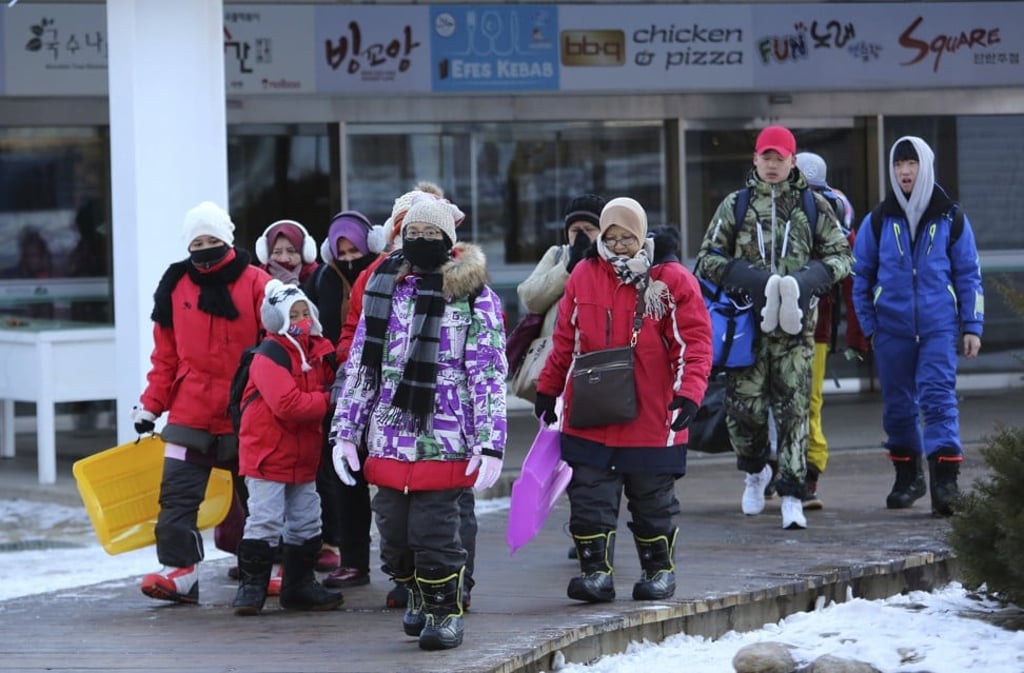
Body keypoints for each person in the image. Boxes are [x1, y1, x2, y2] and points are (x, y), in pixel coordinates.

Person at [330, 197, 507, 650]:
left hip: (445, 437)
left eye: (432, 235)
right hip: (389, 436)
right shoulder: (383, 288)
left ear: (448, 242)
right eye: (415, 234)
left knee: (433, 534)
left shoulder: (473, 297)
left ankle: (445, 611)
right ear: (401, 236)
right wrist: (346, 431)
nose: (422, 242)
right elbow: (362, 367)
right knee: (392, 535)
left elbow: (487, 373)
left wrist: (490, 443)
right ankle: (416, 591)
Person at [534, 197, 713, 604]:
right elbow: (566, 338)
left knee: (653, 500)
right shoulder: (583, 274)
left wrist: (689, 393)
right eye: (610, 237)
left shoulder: (671, 280)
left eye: (626, 238)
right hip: (592, 410)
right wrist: (549, 386)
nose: (617, 245)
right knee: (589, 497)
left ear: (642, 237)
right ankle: (595, 574)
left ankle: (658, 572)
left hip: (652, 412)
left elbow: (694, 343)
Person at [695, 126, 853, 530]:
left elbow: (841, 256)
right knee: (744, 408)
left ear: (792, 161)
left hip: (796, 330)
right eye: (765, 157)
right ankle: (754, 470)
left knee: (794, 410)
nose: (771, 164)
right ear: (755, 159)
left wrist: (807, 280)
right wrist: (747, 278)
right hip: (746, 326)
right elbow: (707, 258)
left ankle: (792, 494)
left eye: (778, 158)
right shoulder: (736, 204)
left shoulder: (813, 205)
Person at [131, 201, 272, 603]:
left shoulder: (257, 283)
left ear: (227, 240)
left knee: (259, 497)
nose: (205, 248)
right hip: (190, 407)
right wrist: (150, 407)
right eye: (197, 241)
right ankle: (180, 572)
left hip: (247, 408)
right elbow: (165, 356)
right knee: (176, 495)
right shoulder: (174, 286)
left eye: (212, 240)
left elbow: (276, 346)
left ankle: (269, 568)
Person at [851, 136, 983, 516]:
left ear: (925, 166)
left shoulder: (951, 217)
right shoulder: (877, 220)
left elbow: (969, 275)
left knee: (939, 400)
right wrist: (871, 327)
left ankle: (945, 484)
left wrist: (972, 326)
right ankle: (908, 478)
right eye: (898, 164)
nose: (905, 171)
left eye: (911, 164)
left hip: (939, 327)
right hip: (891, 331)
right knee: (897, 407)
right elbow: (860, 278)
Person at [231, 279, 344, 616]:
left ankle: (298, 586)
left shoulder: (320, 351)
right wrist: (328, 401)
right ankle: (251, 588)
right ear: (276, 318)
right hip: (267, 454)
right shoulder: (269, 354)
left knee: (308, 522)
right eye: (292, 314)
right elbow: (288, 404)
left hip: (302, 455)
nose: (300, 319)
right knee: (264, 521)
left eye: (304, 311)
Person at [304, 209, 386, 588]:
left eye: (357, 250)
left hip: (385, 392)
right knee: (346, 480)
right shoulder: (322, 280)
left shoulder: (386, 274)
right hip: (340, 393)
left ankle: (402, 564)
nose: (351, 258)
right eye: (343, 252)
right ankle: (353, 560)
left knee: (389, 480)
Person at [793, 152, 869, 510]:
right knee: (788, 402)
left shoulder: (838, 224)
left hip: (815, 329)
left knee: (807, 403)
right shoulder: (768, 217)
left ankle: (806, 476)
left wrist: (857, 333)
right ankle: (783, 472)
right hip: (783, 326)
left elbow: (852, 282)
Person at [516, 194, 605, 396]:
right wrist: (566, 268)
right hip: (556, 360)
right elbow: (529, 298)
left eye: (589, 230)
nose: (582, 235)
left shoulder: (611, 260)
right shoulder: (557, 255)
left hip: (597, 361)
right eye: (575, 230)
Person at [255, 219, 320, 286]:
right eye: (277, 252)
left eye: (291, 251)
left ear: (304, 252)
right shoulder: (256, 279)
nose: (284, 259)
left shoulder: (318, 277)